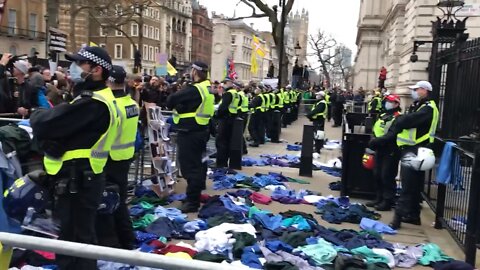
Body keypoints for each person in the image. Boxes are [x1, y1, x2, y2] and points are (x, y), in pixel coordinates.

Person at [30, 46, 118, 270]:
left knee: (75, 243)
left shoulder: (93, 103)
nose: (73, 69)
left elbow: (44, 123)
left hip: (77, 181)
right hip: (80, 178)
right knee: (78, 239)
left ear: (96, 70)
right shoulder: (94, 99)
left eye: (80, 65)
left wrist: (37, 114)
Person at [369, 81, 439, 229]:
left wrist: (400, 120)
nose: (413, 92)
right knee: (415, 186)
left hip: (416, 150)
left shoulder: (428, 109)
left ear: (425, 90)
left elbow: (406, 121)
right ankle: (413, 215)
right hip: (413, 149)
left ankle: (397, 219)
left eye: (416, 89)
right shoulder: (419, 106)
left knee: (407, 186)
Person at [96, 65, 139, 249]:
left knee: (108, 202)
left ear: (109, 81)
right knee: (119, 201)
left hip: (110, 158)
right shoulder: (132, 103)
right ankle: (127, 239)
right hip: (125, 156)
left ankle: (114, 242)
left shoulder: (112, 105)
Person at [166, 61, 214, 213]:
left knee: (190, 168)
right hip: (201, 129)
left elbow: (170, 101)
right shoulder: (208, 87)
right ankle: (194, 196)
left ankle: (192, 202)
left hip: (190, 131)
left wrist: (180, 106)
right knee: (199, 165)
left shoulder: (194, 89)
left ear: (195, 72)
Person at [366, 94, 402, 211]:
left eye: (390, 102)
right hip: (379, 148)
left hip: (391, 149)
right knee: (377, 174)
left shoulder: (398, 117)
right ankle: (379, 197)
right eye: (387, 101)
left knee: (387, 175)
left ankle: (387, 201)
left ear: (397, 104)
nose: (387, 103)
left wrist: (376, 141)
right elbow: (376, 129)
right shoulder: (383, 115)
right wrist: (373, 139)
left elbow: (392, 134)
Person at [215, 77, 240, 168]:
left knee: (221, 142)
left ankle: (221, 163)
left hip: (225, 119)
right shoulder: (235, 93)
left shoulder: (228, 93)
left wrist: (217, 115)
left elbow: (223, 107)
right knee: (227, 141)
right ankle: (225, 162)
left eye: (224, 83)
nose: (223, 85)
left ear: (228, 83)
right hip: (232, 118)